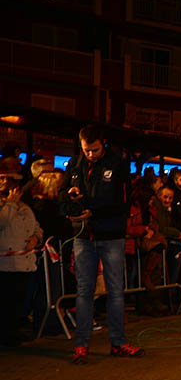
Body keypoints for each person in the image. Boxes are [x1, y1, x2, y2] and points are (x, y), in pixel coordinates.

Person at [60, 125, 144, 363]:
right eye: (86, 150)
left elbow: (123, 202)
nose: (90, 155)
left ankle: (118, 342)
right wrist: (70, 203)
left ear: (102, 144)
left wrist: (91, 211)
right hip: (83, 236)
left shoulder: (117, 163)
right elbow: (60, 195)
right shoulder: (75, 164)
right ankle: (81, 346)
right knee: (84, 291)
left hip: (111, 235)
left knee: (115, 291)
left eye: (94, 150)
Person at [0, 177, 43, 347]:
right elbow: (2, 222)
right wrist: (10, 204)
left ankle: (12, 331)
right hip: (5, 264)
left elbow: (37, 227)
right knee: (5, 301)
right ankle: (5, 334)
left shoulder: (25, 207)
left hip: (24, 262)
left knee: (19, 300)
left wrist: (36, 238)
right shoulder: (5, 207)